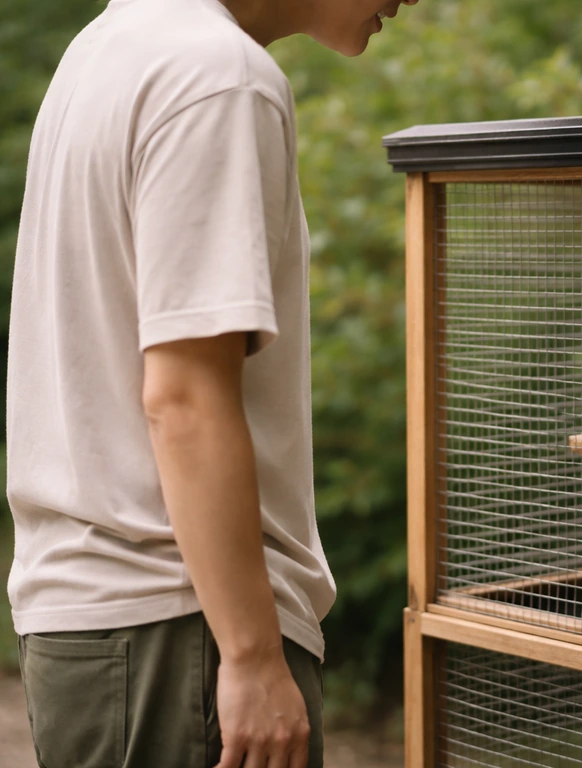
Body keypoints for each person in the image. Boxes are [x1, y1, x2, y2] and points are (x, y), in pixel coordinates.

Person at [7, 0, 418, 766]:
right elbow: (184, 398)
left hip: (93, 630)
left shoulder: (103, 50)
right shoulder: (218, 77)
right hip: (183, 631)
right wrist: (254, 655)